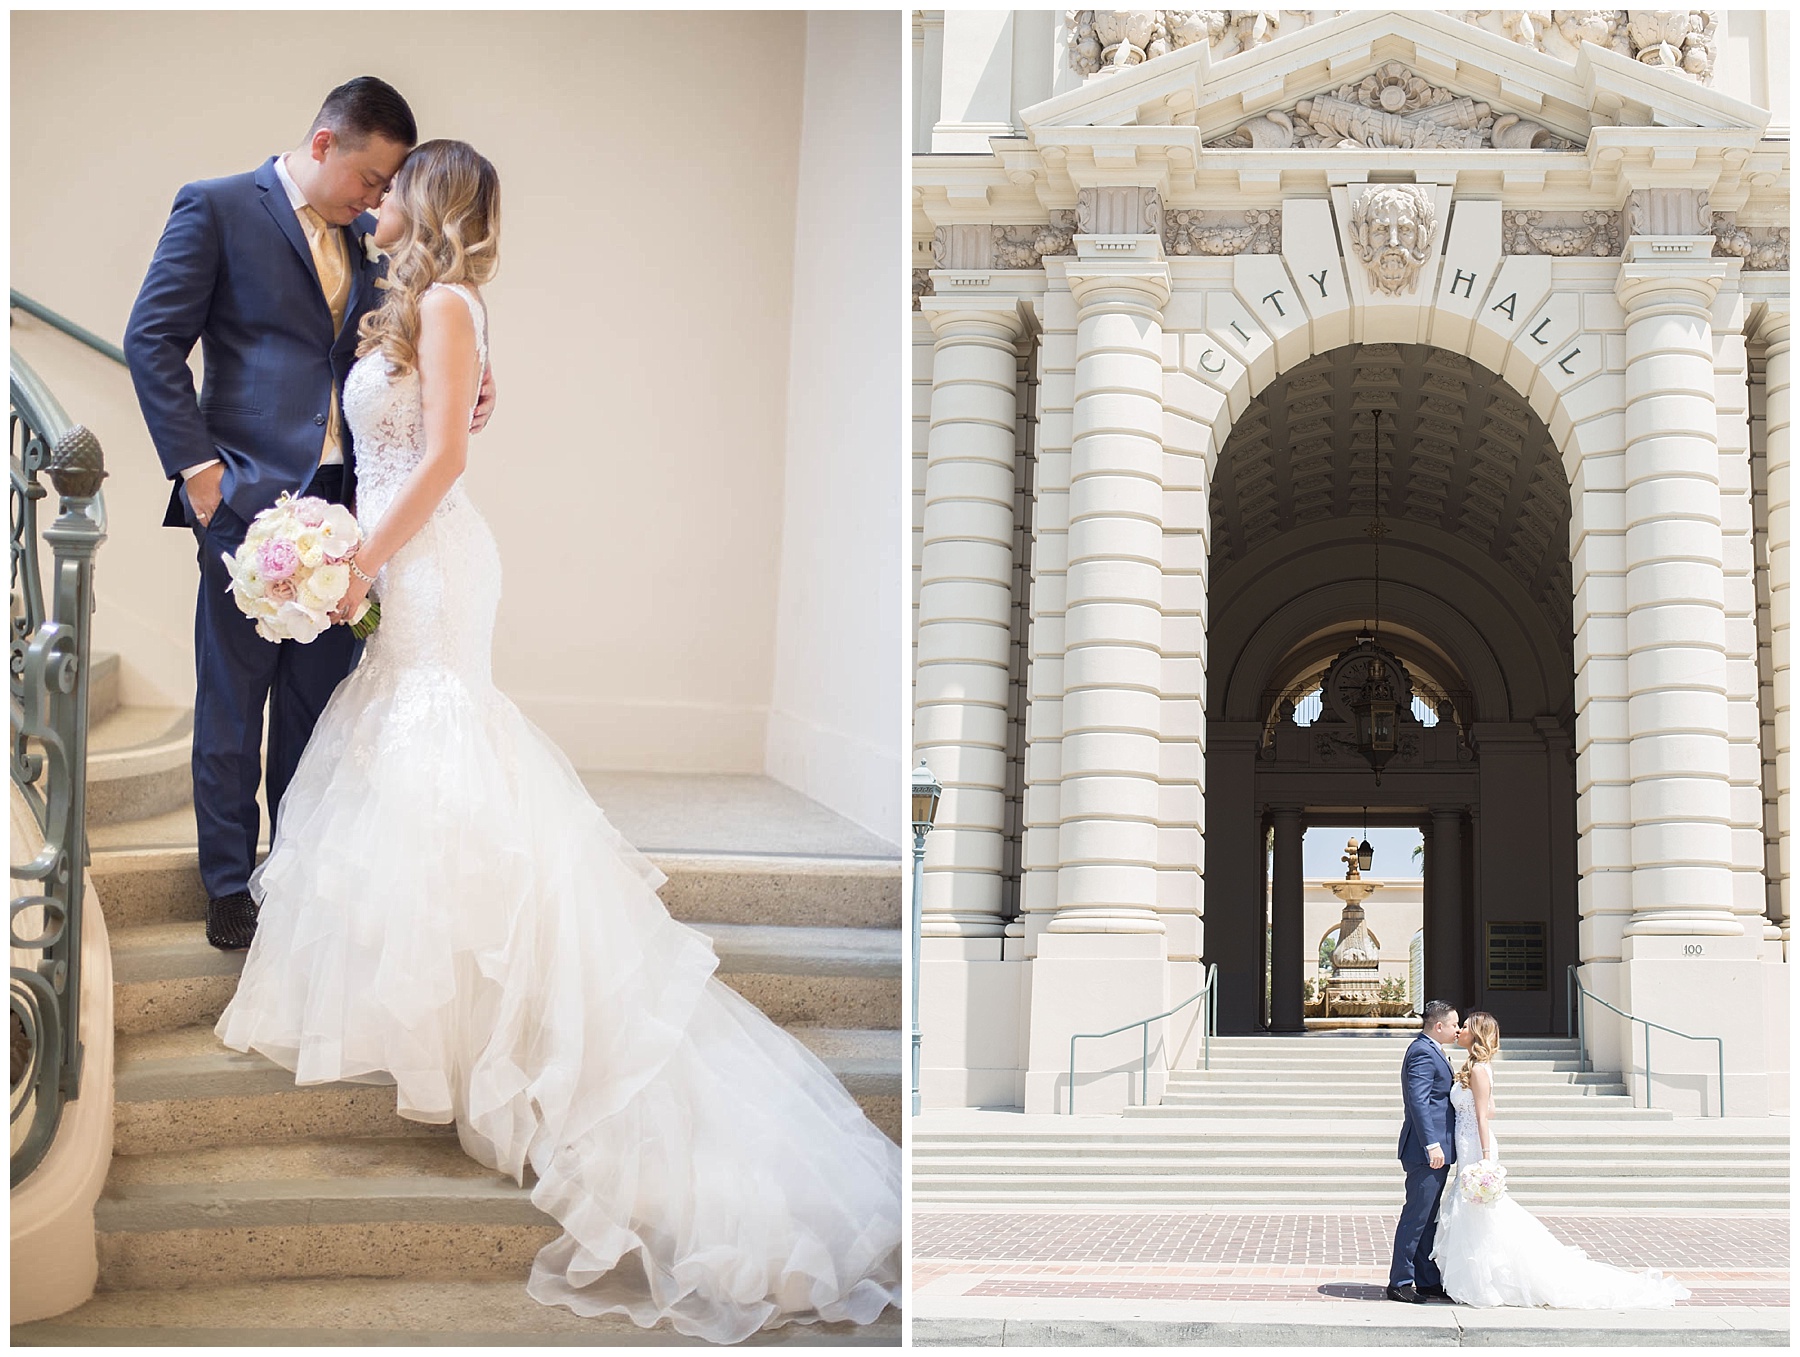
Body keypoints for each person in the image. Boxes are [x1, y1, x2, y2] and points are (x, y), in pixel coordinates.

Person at [212, 139, 900, 1341]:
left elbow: (446, 459)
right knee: (396, 742)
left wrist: (359, 561)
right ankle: (442, 1016)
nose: (373, 207)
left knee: (439, 732)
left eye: (390, 192)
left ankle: (505, 1029)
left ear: (423, 203)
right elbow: (400, 429)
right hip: (390, 554)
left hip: (426, 562)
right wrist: (331, 545)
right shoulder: (410, 309)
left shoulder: (453, 302)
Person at [125, 77, 493, 952]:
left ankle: (289, 870)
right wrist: (199, 472)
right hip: (245, 502)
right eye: (370, 177)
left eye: (390, 186)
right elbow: (152, 339)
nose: (377, 199)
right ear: (325, 144)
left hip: (357, 512)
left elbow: (435, 323)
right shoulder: (216, 208)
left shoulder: (380, 244)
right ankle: (225, 883)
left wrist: (485, 370)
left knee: (318, 707)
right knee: (231, 701)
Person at [1430, 1012, 1690, 1307]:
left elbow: (1482, 1117)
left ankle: (1486, 1281)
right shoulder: (1477, 1067)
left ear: (1476, 1035)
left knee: (1480, 1212)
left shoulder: (1478, 1070)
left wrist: (1486, 1159)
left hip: (1476, 1148)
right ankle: (1481, 1278)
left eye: (1464, 1027)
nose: (1459, 1030)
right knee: (1476, 1213)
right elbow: (1491, 1110)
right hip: (1469, 1143)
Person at [1388, 999, 1458, 1303]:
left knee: (1428, 1217)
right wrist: (1432, 1144)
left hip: (1436, 1147)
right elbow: (1418, 1102)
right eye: (1454, 1024)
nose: (1458, 1029)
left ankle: (1427, 1279)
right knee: (1416, 1216)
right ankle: (1400, 1281)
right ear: (1438, 1026)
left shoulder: (1433, 1050)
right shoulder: (1422, 1052)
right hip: (1424, 1150)